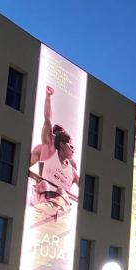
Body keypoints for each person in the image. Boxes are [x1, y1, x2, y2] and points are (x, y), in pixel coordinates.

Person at [29, 85, 79, 218]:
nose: (53, 139)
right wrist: (48, 97)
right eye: (53, 136)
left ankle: (56, 206)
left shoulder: (72, 166)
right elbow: (48, 120)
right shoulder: (45, 149)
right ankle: (46, 202)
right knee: (44, 184)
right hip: (44, 194)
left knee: (61, 190)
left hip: (60, 200)